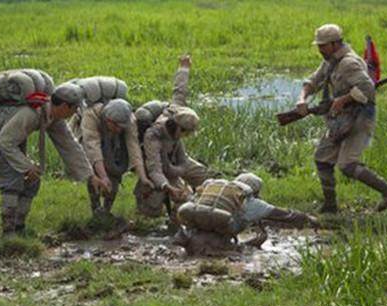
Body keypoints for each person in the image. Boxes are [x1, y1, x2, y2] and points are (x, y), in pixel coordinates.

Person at [0, 79, 105, 235]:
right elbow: (4, 142)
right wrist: (26, 167)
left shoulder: (54, 117)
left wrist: (90, 176)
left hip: (8, 139)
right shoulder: (31, 113)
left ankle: (20, 227)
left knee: (33, 180)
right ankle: (8, 233)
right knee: (13, 180)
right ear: (65, 106)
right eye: (75, 109)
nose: (75, 113)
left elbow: (69, 146)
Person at [296, 24, 387, 213]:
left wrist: (344, 99)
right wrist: (302, 99)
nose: (320, 49)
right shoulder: (330, 61)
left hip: (360, 116)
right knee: (322, 158)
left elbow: (368, 89)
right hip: (339, 118)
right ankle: (330, 206)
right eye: (319, 45)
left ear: (335, 44)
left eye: (323, 45)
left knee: (347, 164)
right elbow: (313, 81)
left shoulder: (349, 63)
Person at [133, 55, 211, 223]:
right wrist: (168, 187)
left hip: (178, 161)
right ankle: (177, 209)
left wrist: (184, 67)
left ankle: (208, 203)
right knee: (152, 209)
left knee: (205, 177)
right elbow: (155, 170)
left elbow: (179, 90)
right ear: (178, 129)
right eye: (187, 133)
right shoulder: (153, 136)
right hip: (161, 169)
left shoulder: (176, 110)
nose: (188, 136)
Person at [175, 173, 318, 255]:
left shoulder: (214, 187)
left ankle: (190, 239)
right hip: (221, 226)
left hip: (193, 222)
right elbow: (285, 215)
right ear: (254, 190)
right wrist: (308, 218)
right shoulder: (250, 201)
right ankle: (222, 245)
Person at [74, 96, 153, 217]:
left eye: (122, 128)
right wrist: (103, 177)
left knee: (114, 173)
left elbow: (134, 148)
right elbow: (92, 148)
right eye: (117, 126)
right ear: (109, 120)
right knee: (94, 173)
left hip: (114, 145)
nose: (120, 130)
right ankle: (95, 207)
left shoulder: (129, 120)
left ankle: (106, 211)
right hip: (88, 141)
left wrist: (143, 178)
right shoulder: (91, 115)